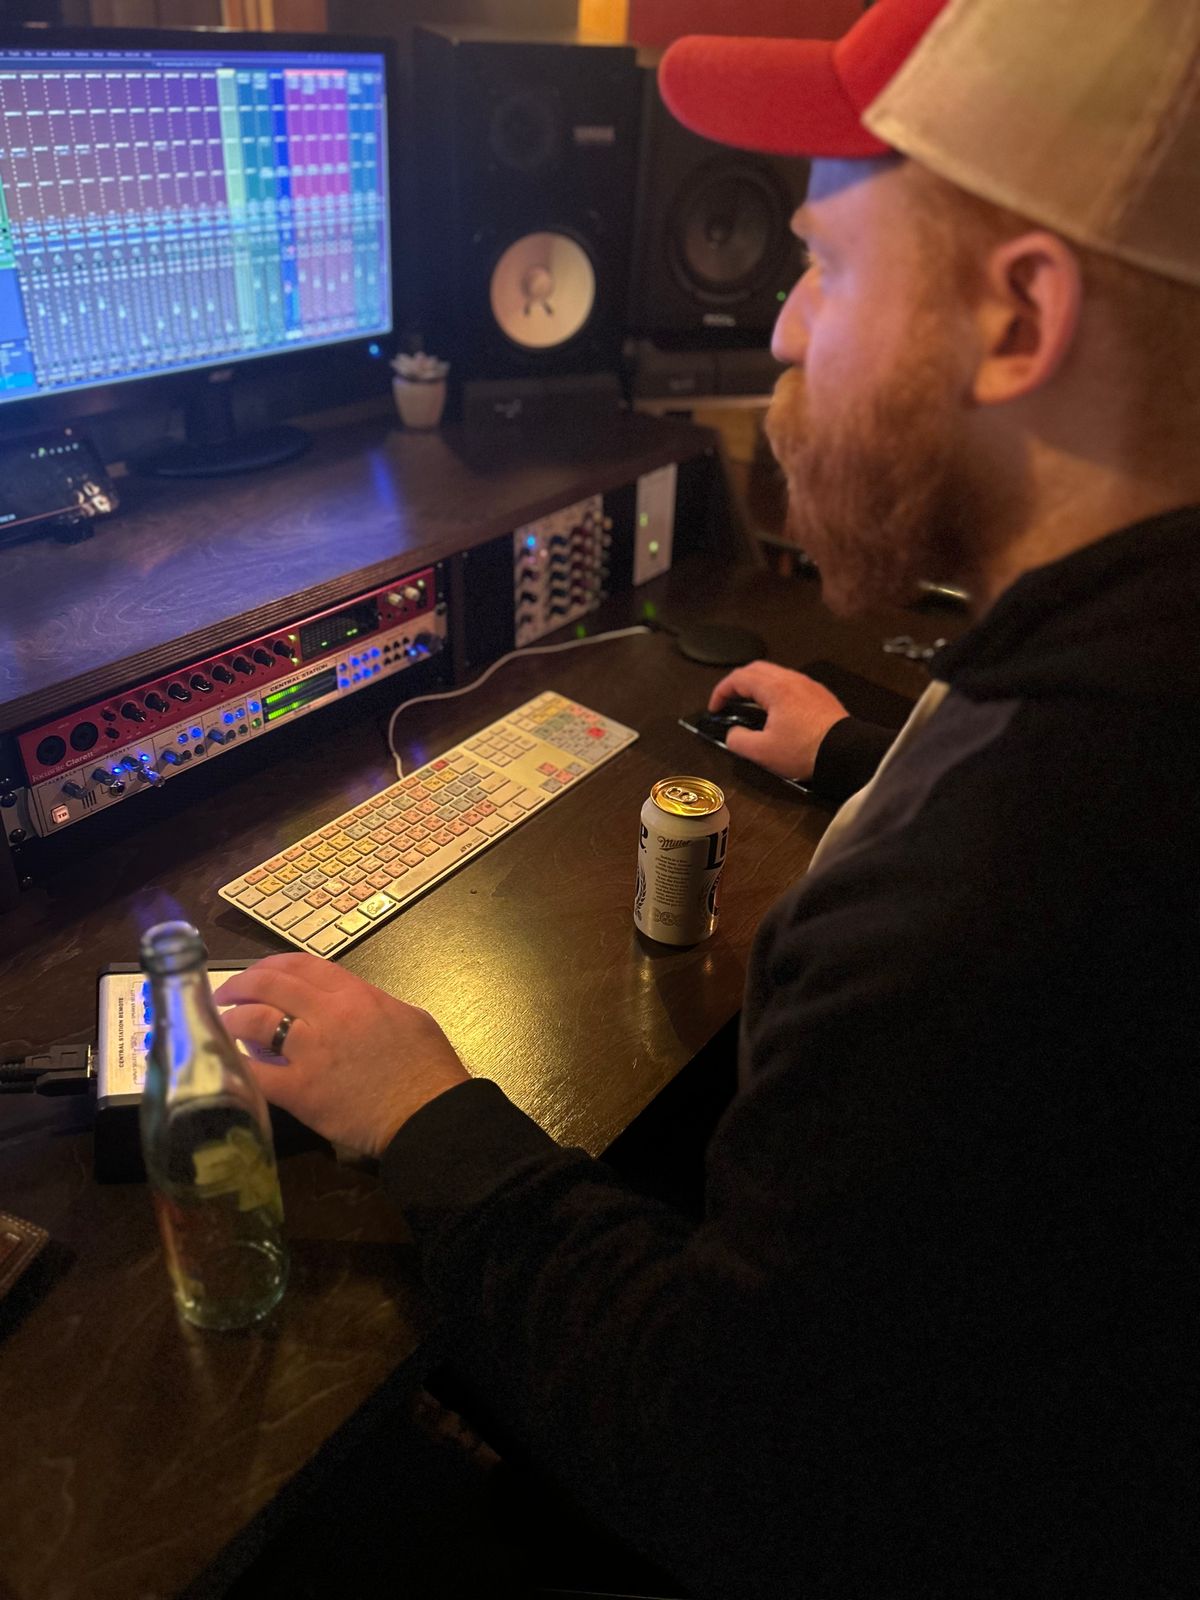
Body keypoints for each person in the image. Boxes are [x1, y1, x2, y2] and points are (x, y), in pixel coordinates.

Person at [215, 0, 1200, 1593]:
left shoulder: (996, 904)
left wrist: (420, 1111)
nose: (787, 330)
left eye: (828, 264)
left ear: (1020, 317)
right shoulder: (1112, 695)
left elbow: (732, 1458)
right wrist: (867, 759)